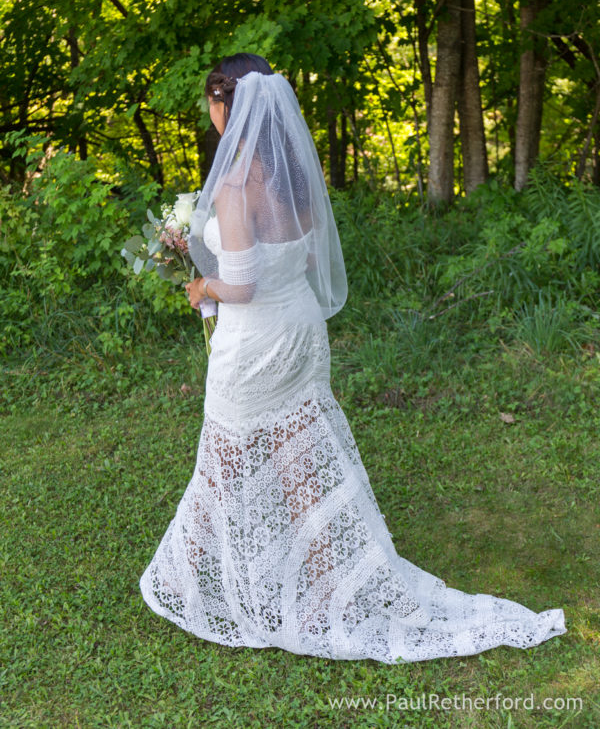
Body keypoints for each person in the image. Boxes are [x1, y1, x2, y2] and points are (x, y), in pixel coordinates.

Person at [139, 53, 566, 663]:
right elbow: (308, 261)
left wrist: (202, 288)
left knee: (228, 454)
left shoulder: (235, 188)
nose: (210, 113)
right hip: (303, 331)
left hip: (255, 340)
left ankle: (223, 587)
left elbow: (242, 286)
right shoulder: (290, 177)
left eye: (212, 101)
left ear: (225, 105)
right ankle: (318, 588)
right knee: (301, 453)